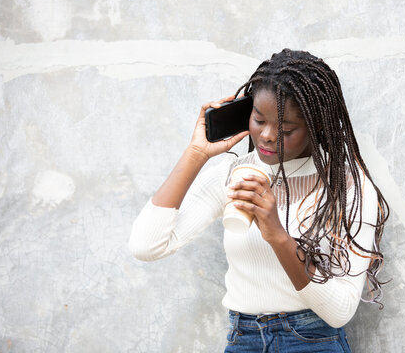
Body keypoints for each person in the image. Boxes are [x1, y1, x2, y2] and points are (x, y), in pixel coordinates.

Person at [129, 48, 389, 352]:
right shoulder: (236, 175)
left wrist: (276, 234)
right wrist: (196, 154)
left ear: (317, 125)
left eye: (286, 129)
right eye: (258, 119)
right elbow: (145, 247)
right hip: (243, 338)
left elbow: (339, 311)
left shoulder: (345, 187)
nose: (266, 135)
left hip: (313, 341)